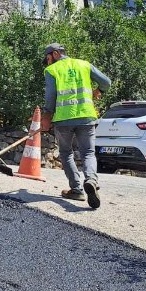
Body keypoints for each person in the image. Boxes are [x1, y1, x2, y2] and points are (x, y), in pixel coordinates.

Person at [41, 43, 111, 209]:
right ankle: (91, 180)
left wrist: (46, 116)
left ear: (56, 54)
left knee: (66, 153)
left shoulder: (52, 70)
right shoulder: (84, 64)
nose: (48, 62)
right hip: (86, 117)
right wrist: (98, 90)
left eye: (48, 58)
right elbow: (106, 82)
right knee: (88, 152)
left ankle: (77, 189)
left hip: (64, 119)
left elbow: (50, 97)